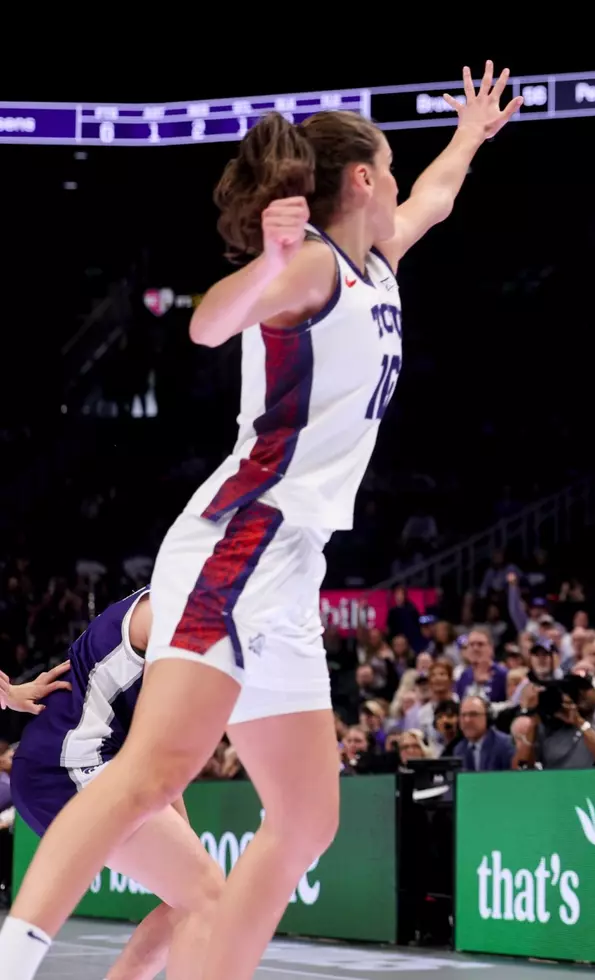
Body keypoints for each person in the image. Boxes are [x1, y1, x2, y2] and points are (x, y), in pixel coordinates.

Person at [0, 64, 522, 980]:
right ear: (360, 177)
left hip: (290, 563)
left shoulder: (376, 255)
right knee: (157, 772)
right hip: (237, 539)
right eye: (389, 165)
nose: (400, 178)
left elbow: (435, 197)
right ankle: (16, 953)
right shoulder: (312, 263)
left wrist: (472, 134)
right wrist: (267, 267)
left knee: (310, 821)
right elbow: (208, 325)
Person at [2, 589, 225, 980]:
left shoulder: (184, 614)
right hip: (69, 767)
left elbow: (160, 749)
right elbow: (159, 748)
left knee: (195, 897)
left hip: (71, 764)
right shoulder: (169, 620)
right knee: (206, 896)